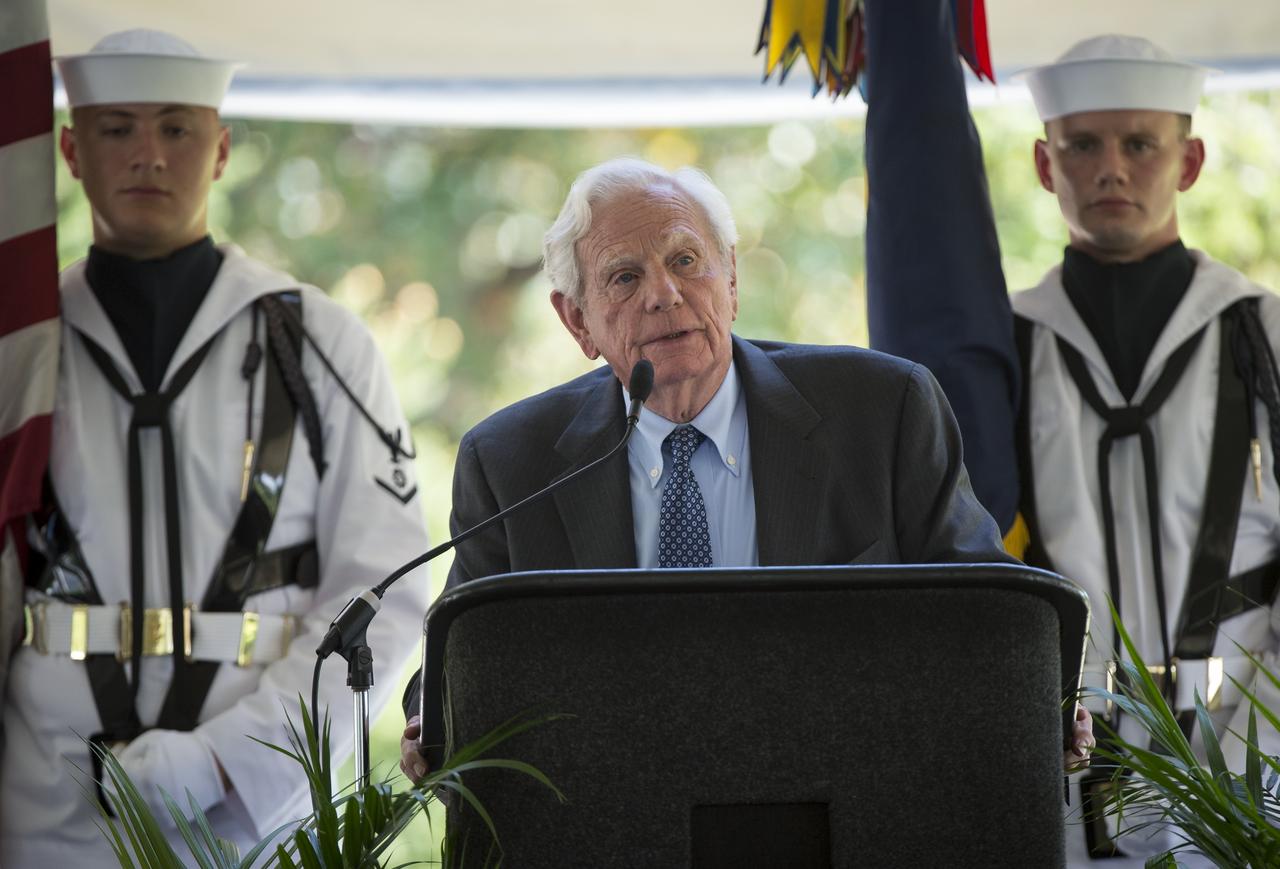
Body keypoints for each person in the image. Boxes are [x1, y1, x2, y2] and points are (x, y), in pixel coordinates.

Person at [399, 155, 1095, 778]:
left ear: (731, 277)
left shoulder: (882, 413)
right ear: (577, 320)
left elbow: (990, 610)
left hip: (844, 805)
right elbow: (459, 662)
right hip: (615, 821)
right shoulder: (510, 461)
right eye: (623, 276)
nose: (664, 295)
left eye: (685, 261)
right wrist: (426, 722)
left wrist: (1042, 701)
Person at [0, 29, 430, 863]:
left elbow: (379, 594)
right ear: (70, 150)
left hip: (256, 819)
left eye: (176, 127)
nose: (148, 155)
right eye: (116, 127)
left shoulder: (322, 348)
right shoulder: (21, 355)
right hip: (45, 810)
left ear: (223, 147)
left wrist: (232, 763)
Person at [864, 17, 1280, 865]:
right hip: (1066, 758)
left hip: (1255, 750)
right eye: (1082, 145)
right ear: (1044, 163)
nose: (1111, 168)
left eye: (1139, 143)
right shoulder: (999, 352)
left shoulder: (1264, 337)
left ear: (1189, 161)